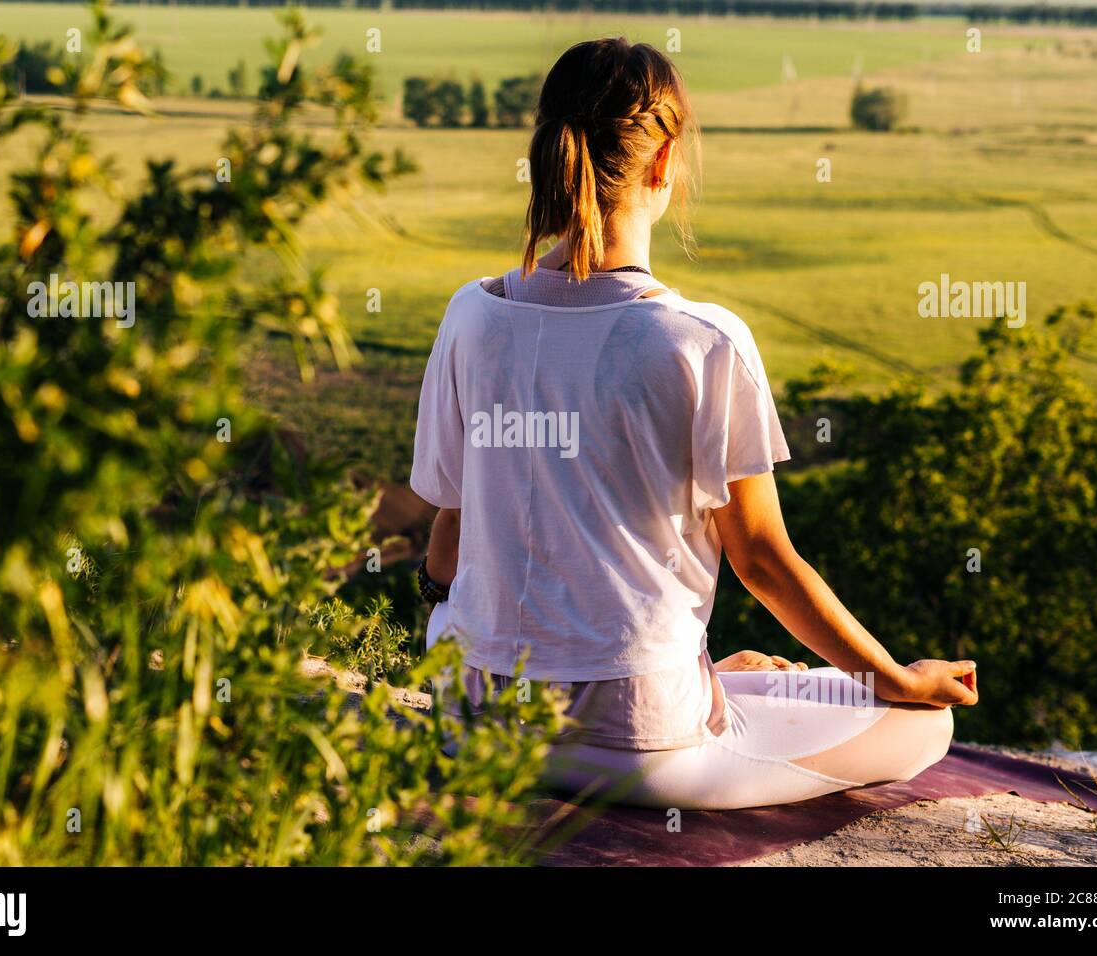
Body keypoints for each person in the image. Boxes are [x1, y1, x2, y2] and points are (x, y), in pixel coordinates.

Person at [410, 38, 976, 810]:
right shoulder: (702, 341)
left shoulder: (470, 315)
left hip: (474, 720)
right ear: (663, 161)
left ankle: (715, 677)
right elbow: (764, 563)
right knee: (924, 727)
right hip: (640, 740)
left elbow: (448, 544)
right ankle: (714, 683)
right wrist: (902, 679)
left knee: (774, 677)